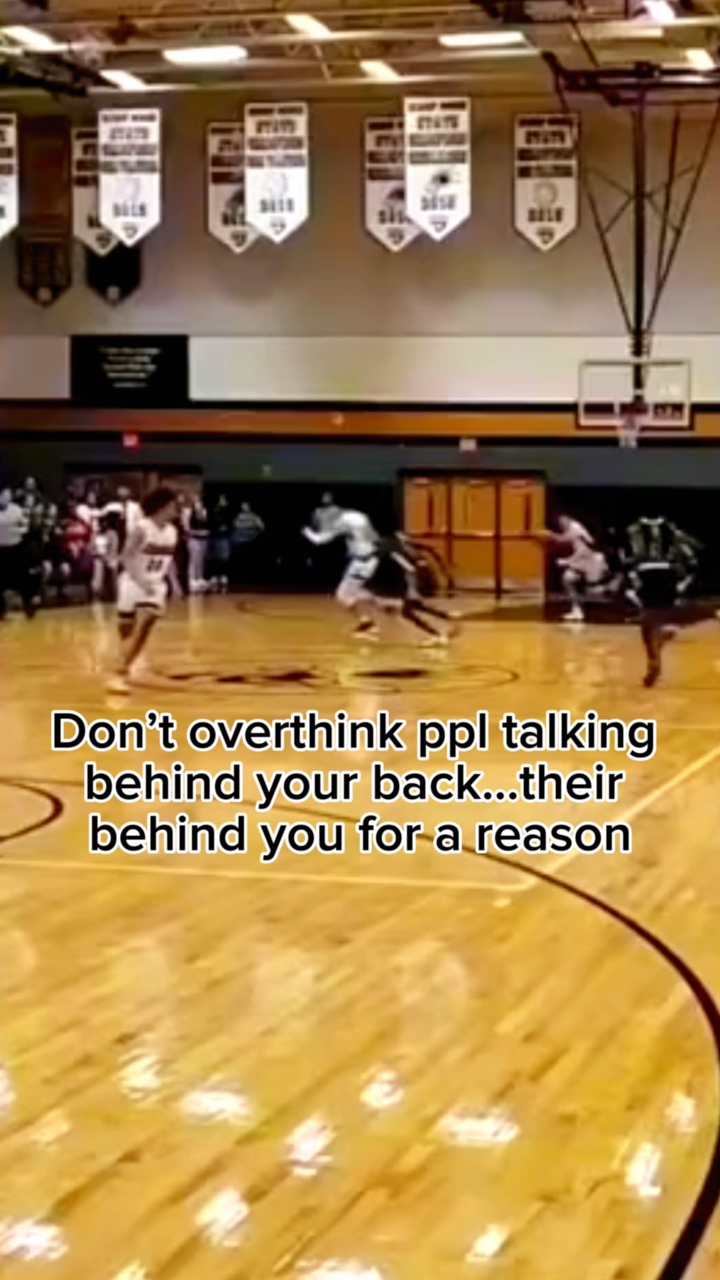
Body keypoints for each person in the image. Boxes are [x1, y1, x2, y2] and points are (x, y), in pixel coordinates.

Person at [108, 487, 178, 695]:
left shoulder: (172, 532)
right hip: (132, 581)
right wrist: (140, 579)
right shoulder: (142, 528)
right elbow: (126, 556)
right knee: (126, 631)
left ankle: (119, 672)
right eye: (173, 505)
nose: (176, 509)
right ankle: (125, 664)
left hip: (154, 584)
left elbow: (168, 560)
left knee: (147, 621)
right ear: (162, 507)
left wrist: (174, 582)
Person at [622, 514, 696, 688]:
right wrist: (684, 580)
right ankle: (657, 650)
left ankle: (653, 657)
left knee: (648, 620)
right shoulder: (672, 528)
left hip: (646, 573)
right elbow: (692, 555)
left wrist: (631, 576)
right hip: (668, 574)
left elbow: (628, 557)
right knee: (662, 619)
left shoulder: (633, 529)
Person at [302, 506, 381, 637]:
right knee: (352, 593)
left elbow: (319, 540)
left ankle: (371, 618)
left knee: (343, 595)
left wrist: (305, 531)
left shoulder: (342, 521)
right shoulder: (356, 515)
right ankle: (370, 617)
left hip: (362, 563)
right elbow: (372, 536)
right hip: (367, 559)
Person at [383, 531, 459, 644]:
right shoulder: (401, 548)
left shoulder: (397, 551)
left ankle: (437, 633)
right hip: (409, 584)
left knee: (407, 612)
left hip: (409, 585)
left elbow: (409, 568)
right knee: (415, 607)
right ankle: (447, 620)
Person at [551, 515, 608, 622]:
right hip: (584, 563)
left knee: (593, 589)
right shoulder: (573, 530)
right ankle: (577, 609)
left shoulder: (576, 530)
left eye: (562, 522)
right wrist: (552, 536)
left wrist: (567, 561)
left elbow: (583, 551)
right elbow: (563, 539)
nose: (560, 524)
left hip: (590, 562)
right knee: (568, 579)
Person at [0, 487, 31, 620]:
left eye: (7, 495)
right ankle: (1, 611)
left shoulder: (17, 510)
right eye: (2, 495)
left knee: (21, 579)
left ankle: (27, 605)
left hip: (15, 549)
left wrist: (14, 531)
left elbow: (26, 527)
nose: (4, 498)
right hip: (0, 550)